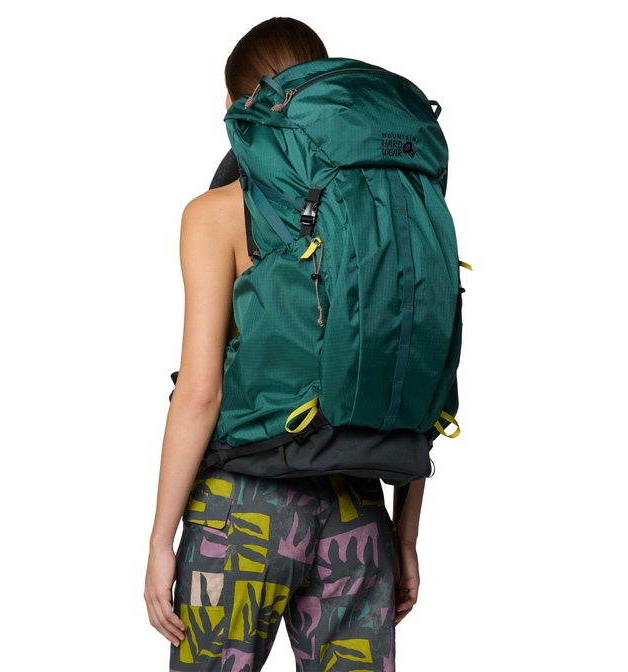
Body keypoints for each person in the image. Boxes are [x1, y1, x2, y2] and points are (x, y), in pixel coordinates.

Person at [144, 17, 426, 672]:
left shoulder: (215, 214)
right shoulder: (386, 209)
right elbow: (411, 374)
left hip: (243, 508)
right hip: (358, 509)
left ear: (233, 107)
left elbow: (200, 392)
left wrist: (161, 539)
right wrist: (406, 534)